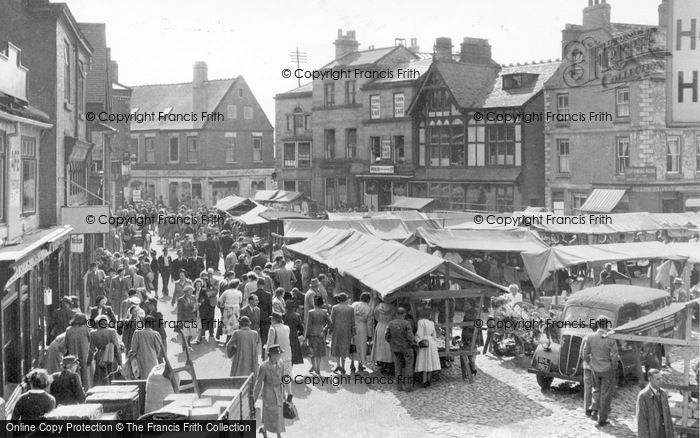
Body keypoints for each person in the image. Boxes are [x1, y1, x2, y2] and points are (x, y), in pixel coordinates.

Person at [582, 316, 619, 427]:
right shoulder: (610, 338)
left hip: (594, 369)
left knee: (596, 390)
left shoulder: (590, 337)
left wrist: (591, 363)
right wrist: (613, 366)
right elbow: (615, 356)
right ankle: (602, 419)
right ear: (607, 325)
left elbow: (584, 354)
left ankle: (594, 411)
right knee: (605, 394)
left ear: (597, 324)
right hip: (607, 369)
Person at [253, 344, 286, 438]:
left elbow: (283, 379)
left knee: (278, 415)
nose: (278, 356)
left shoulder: (281, 363)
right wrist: (254, 400)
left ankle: (277, 434)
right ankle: (265, 430)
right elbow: (258, 384)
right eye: (276, 354)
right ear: (271, 355)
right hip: (269, 393)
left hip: (278, 392)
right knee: (269, 414)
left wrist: (284, 394)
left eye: (279, 354)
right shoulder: (264, 367)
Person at [636, 368, 674, 438]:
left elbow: (668, 418)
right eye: (657, 379)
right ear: (650, 379)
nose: (660, 381)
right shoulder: (643, 396)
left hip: (664, 433)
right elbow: (641, 422)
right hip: (652, 434)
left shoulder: (663, 394)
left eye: (661, 378)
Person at [385, 307, 415, 392]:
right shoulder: (407, 323)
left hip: (395, 349)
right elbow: (410, 337)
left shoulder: (390, 323)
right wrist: (413, 343)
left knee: (397, 367)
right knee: (408, 367)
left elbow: (387, 337)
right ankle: (408, 387)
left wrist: (392, 343)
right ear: (404, 314)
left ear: (396, 314)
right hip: (406, 348)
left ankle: (399, 386)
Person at [89, 315, 123, 386]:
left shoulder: (93, 333)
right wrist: (120, 362)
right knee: (111, 375)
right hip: (111, 355)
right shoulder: (112, 332)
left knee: (100, 377)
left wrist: (89, 361)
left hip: (99, 356)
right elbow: (117, 347)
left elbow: (91, 349)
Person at [304, 295, 331, 375]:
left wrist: (305, 336)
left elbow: (308, 326)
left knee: (312, 351)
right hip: (321, 333)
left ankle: (313, 366)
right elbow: (330, 322)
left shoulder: (311, 312)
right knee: (318, 352)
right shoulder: (325, 311)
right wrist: (324, 330)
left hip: (312, 334)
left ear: (314, 303)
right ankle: (318, 367)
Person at [329, 292, 355, 374]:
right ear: (346, 299)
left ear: (338, 299)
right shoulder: (350, 309)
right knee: (344, 347)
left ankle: (338, 365)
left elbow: (331, 320)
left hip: (337, 330)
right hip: (347, 330)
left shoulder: (335, 308)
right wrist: (353, 331)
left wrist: (330, 329)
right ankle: (343, 366)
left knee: (337, 346)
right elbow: (353, 321)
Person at [414, 308, 441, 387]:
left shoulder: (420, 322)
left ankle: (424, 381)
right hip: (431, 342)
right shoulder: (431, 323)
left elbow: (419, 333)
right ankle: (429, 380)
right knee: (430, 361)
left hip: (424, 341)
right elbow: (434, 335)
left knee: (424, 361)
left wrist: (416, 340)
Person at [267, 313, 292, 396]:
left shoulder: (272, 329)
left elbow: (270, 344)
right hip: (288, 355)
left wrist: (266, 356)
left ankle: (282, 397)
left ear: (274, 320)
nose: (270, 321)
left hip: (277, 356)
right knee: (287, 376)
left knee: (278, 378)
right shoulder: (287, 328)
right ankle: (289, 393)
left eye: (271, 319)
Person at [65, 313, 92, 389]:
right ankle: (86, 387)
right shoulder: (86, 329)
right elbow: (91, 340)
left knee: (75, 370)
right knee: (85, 371)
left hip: (73, 354)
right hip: (84, 353)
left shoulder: (68, 330)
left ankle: (76, 387)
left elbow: (66, 344)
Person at [371, 297, 396, 374]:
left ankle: (381, 363)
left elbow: (375, 316)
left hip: (380, 325)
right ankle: (389, 363)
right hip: (388, 325)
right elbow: (394, 317)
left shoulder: (378, 307)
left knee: (379, 345)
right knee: (388, 345)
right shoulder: (392, 308)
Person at [459, 299, 481, 381]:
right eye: (465, 305)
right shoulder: (473, 312)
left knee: (467, 354)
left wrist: (462, 325)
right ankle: (473, 370)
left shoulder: (470, 314)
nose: (465, 307)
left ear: (470, 305)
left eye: (467, 305)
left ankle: (469, 372)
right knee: (471, 354)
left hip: (469, 336)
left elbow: (469, 325)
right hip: (471, 336)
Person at [350, 292, 372, 373]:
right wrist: (370, 334)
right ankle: (360, 364)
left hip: (353, 325)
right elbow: (369, 323)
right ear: (368, 300)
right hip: (363, 327)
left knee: (352, 344)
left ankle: (352, 363)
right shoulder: (368, 308)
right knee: (362, 346)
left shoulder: (354, 304)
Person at [218, 279, 243, 344]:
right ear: (237, 285)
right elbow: (240, 301)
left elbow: (220, 300)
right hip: (236, 309)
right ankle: (233, 340)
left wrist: (222, 305)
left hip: (228, 308)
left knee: (227, 324)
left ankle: (227, 340)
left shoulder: (226, 292)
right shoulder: (239, 292)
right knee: (235, 324)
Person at [252, 279, 273, 355]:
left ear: (257, 285)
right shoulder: (268, 295)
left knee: (254, 337)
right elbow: (270, 307)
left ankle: (254, 354)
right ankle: (264, 354)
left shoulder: (253, 294)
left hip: (254, 317)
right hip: (265, 317)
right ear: (264, 285)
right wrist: (269, 316)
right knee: (264, 337)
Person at [283, 300, 304, 367]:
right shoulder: (297, 316)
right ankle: (290, 369)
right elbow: (301, 328)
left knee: (285, 354)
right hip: (294, 336)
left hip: (285, 336)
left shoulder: (283, 316)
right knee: (293, 354)